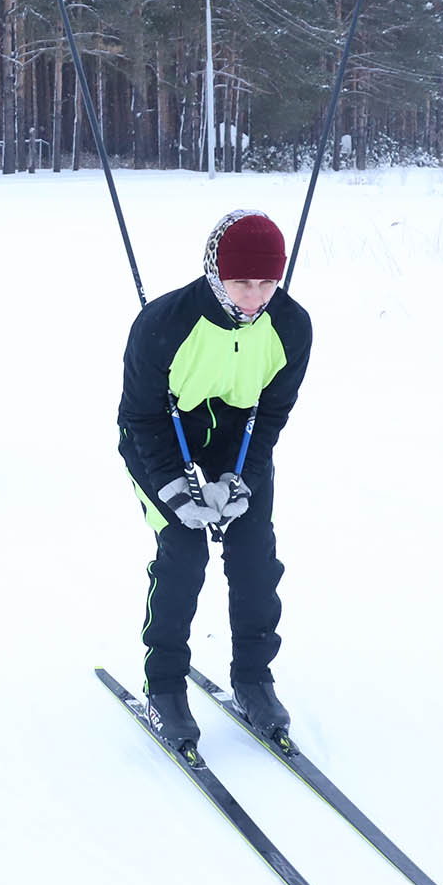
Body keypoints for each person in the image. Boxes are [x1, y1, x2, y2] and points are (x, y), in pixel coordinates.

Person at [118, 210, 312, 748]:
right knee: (184, 553)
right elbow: (140, 416)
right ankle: (165, 687)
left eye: (268, 283)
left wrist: (241, 478)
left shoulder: (291, 327)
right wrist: (175, 488)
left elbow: (272, 414)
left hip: (238, 442)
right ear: (214, 272)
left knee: (254, 558)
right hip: (159, 438)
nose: (254, 298)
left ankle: (253, 678)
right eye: (241, 282)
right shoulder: (164, 323)